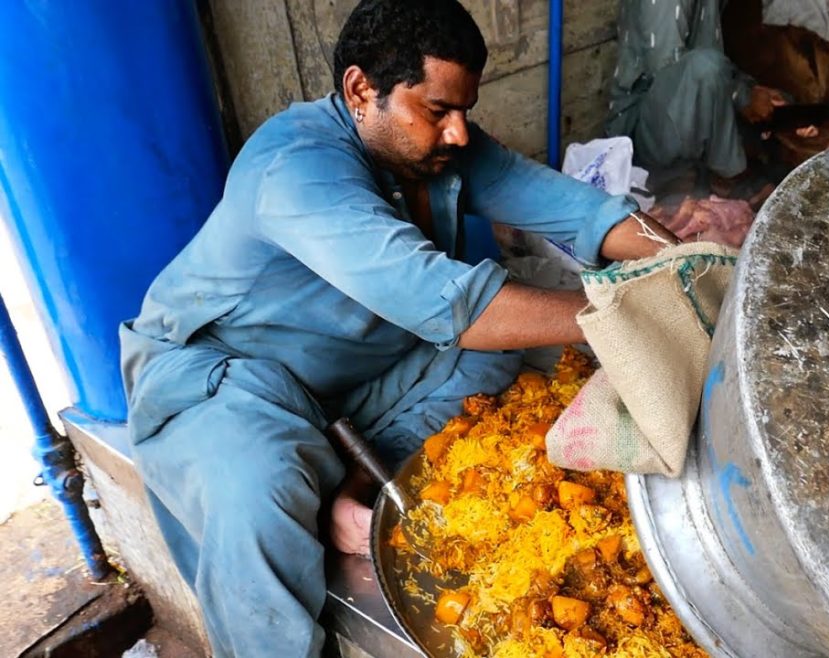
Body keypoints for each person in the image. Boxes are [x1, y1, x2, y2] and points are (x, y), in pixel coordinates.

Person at [118, 1, 675, 655]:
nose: (460, 133)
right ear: (361, 91)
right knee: (260, 489)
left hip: (348, 375)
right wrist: (629, 314)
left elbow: (576, 210)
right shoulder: (296, 169)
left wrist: (688, 268)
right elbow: (453, 305)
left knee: (492, 362)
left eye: (464, 109)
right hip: (224, 382)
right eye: (437, 110)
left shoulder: (433, 150)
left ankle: (353, 489)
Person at [605, 0, 788, 184]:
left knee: (781, 106)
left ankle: (724, 171)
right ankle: (726, 180)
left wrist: (750, 89)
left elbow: (716, 65)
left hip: (680, 115)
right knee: (705, 66)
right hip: (639, 136)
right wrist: (743, 96)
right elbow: (672, 75)